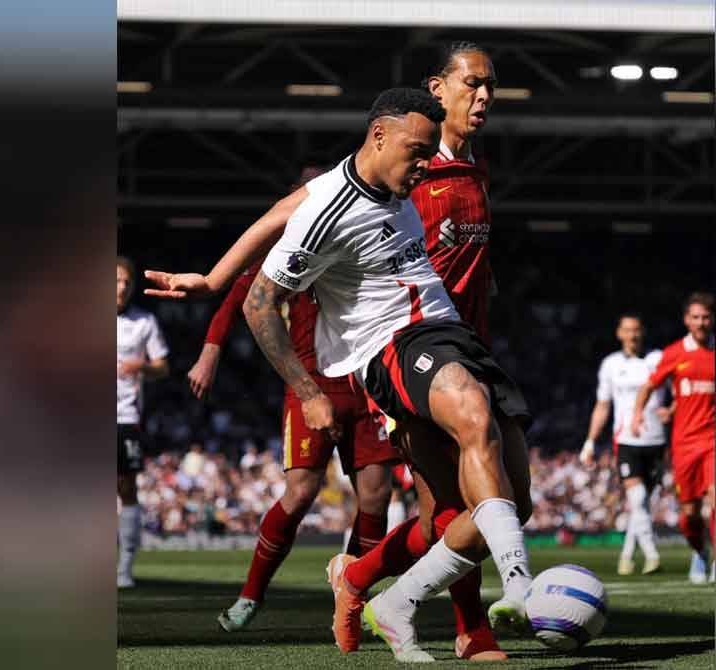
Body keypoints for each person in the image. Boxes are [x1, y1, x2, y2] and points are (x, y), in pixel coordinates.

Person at [146, 88, 534, 663]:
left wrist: (211, 276)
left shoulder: (372, 179)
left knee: (483, 511)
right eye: (415, 150)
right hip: (391, 345)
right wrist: (306, 393)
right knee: (474, 416)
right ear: (379, 135)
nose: (424, 164)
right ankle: (522, 586)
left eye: (430, 152)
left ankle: (379, 592)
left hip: (450, 332)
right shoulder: (330, 210)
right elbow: (260, 305)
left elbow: (280, 206)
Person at [325, 41, 519, 662]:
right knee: (459, 507)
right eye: (473, 84)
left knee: (468, 509)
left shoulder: (476, 171)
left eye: (492, 86)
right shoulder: (404, 170)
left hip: (467, 353)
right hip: (409, 357)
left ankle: (357, 579)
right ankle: (471, 628)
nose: (484, 96)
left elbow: (471, 263)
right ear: (438, 89)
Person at [186, 236, 399, 632]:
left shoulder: (365, 238)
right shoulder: (289, 250)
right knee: (300, 492)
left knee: (377, 494)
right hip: (310, 384)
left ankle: (351, 597)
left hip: (366, 384)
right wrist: (210, 350)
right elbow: (239, 296)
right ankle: (250, 595)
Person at [631, 292, 716, 584]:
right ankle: (699, 552)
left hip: (715, 441)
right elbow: (648, 386)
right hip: (685, 443)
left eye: (706, 316)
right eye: (696, 317)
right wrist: (638, 414)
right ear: (686, 320)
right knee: (690, 514)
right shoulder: (675, 353)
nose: (701, 322)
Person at [581, 314, 671, 576]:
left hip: (656, 439)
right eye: (627, 330)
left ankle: (626, 556)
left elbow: (676, 392)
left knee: (642, 504)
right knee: (639, 497)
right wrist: (590, 441)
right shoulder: (610, 364)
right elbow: (603, 404)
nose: (632, 335)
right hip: (626, 440)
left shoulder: (659, 359)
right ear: (619, 333)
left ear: (643, 332)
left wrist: (671, 410)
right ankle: (652, 556)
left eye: (636, 330)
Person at [116, 256, 169, 588]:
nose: (122, 287)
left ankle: (124, 568)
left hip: (125, 415)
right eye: (116, 281)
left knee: (126, 488)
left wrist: (142, 367)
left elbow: (162, 366)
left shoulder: (144, 321)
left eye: (126, 282)